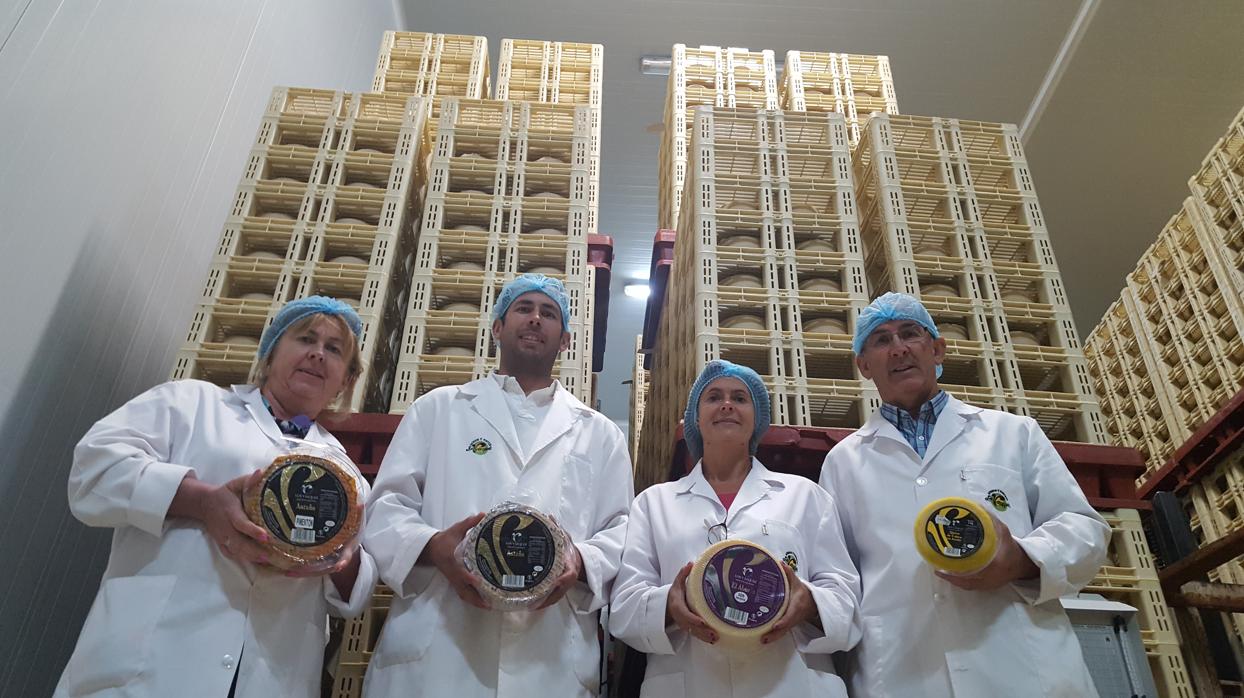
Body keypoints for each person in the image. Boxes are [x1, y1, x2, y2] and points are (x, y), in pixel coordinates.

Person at [56, 296, 378, 697]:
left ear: (346, 380)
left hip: (272, 674)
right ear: (272, 349)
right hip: (156, 662)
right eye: (305, 339)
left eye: (334, 350)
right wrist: (200, 501)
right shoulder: (191, 403)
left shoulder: (345, 476)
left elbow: (357, 593)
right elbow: (92, 472)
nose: (317, 354)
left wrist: (340, 561)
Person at [818, 292, 1109, 696]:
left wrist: (1023, 559)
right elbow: (841, 580)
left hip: (1023, 668)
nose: (898, 348)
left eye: (910, 334)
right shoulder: (843, 463)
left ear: (937, 349)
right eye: (881, 340)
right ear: (864, 365)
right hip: (905, 673)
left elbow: (1083, 529)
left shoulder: (1011, 433)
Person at [362, 273, 633, 697]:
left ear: (565, 340)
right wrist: (434, 547)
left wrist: (579, 561)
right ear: (497, 328)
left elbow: (620, 531)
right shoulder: (438, 409)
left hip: (549, 659)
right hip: (439, 649)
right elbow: (386, 507)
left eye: (549, 313)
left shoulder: (599, 433)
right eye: (523, 308)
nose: (535, 319)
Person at [611, 360, 860, 697]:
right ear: (696, 418)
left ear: (757, 418)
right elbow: (624, 608)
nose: (727, 404)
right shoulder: (654, 504)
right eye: (713, 397)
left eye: (740, 398)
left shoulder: (805, 496)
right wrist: (669, 605)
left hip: (791, 682)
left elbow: (846, 599)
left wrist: (810, 603)